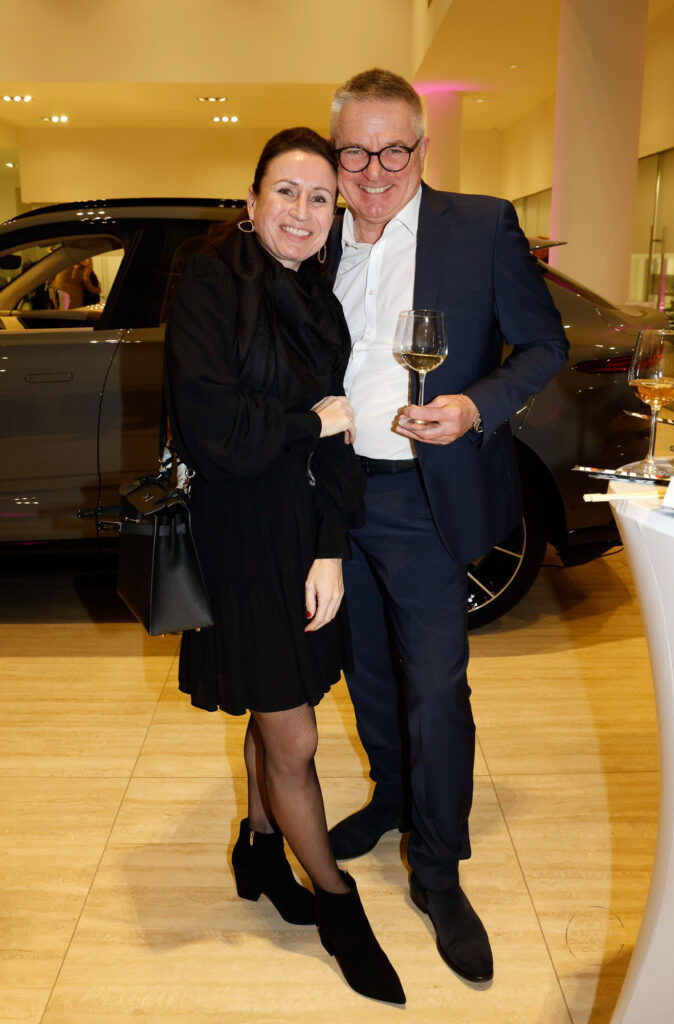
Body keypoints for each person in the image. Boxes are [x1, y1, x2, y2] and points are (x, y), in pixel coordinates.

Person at [326, 70, 569, 984]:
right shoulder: (314, 235)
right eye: (356, 152)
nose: (375, 171)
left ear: (423, 148)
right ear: (335, 155)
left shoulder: (480, 226)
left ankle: (437, 869)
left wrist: (474, 406)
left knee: (434, 686)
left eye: (394, 150)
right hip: (331, 496)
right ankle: (393, 796)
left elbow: (545, 344)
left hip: (422, 500)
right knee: (364, 671)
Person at [164, 127, 405, 1006]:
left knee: (280, 703)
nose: (303, 211)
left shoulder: (318, 297)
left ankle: (262, 850)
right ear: (253, 198)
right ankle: (338, 907)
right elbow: (214, 432)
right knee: (295, 735)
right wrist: (311, 423)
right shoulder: (210, 281)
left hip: (303, 534)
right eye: (286, 192)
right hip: (238, 532)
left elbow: (341, 439)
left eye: (319, 197)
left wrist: (330, 547)